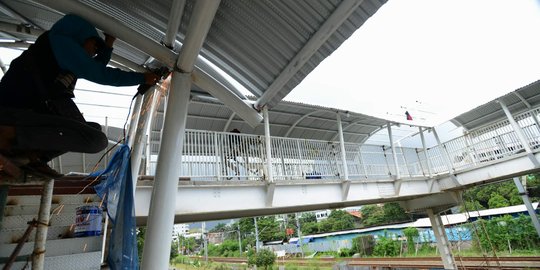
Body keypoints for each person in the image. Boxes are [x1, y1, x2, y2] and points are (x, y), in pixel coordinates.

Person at [0, 14, 160, 178]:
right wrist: (142, 78)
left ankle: (30, 158)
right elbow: (98, 73)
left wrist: (108, 46)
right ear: (82, 37)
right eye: (95, 47)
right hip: (12, 116)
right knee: (95, 140)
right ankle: (7, 136)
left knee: (92, 130)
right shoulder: (62, 44)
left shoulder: (56, 54)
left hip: (26, 114)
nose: (93, 53)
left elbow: (93, 66)